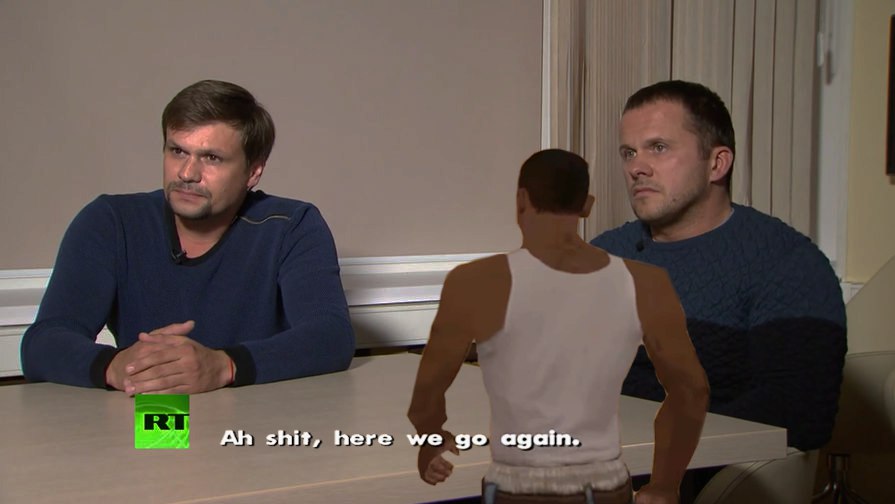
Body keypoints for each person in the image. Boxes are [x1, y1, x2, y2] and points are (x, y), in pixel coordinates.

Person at [408, 149, 709, 504]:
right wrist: (664, 485)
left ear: (521, 201)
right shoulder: (646, 283)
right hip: (605, 484)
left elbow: (427, 393)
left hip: (516, 486)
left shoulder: (474, 282)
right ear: (587, 206)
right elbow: (691, 391)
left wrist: (430, 438)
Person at [20, 79, 355, 394]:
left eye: (211, 158)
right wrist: (117, 366)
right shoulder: (111, 222)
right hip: (151, 412)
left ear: (253, 172)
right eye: (177, 151)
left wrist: (223, 366)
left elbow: (331, 336)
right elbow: (43, 342)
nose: (187, 173)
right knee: (152, 439)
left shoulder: (291, 226)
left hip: (253, 416)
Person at [591, 80, 847, 456]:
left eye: (658, 148)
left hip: (693, 469)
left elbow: (799, 415)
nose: (636, 168)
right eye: (629, 153)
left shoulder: (787, 263)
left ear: (716, 164)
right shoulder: (603, 257)